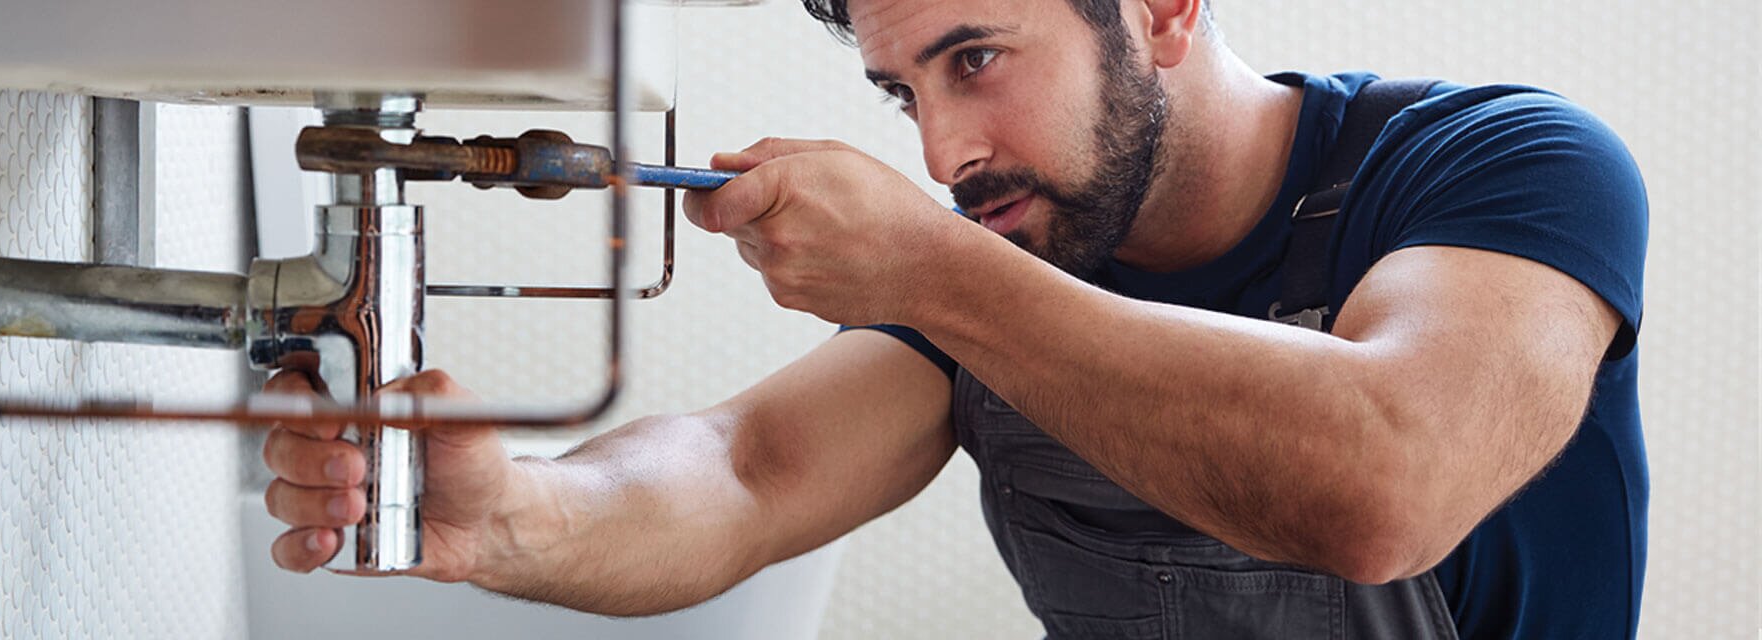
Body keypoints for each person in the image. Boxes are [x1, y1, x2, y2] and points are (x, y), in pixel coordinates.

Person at [259, 0, 1649, 637]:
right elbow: (747, 472)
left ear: (1162, 9)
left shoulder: (1501, 169)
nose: (944, 153)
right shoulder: (1014, 249)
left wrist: (931, 270)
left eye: (975, 61)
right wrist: (511, 513)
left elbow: (1385, 481)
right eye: (904, 94)